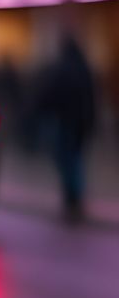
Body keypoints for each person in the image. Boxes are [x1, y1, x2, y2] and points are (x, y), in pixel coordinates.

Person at [35, 28, 99, 222]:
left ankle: (72, 199)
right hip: (79, 122)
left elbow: (49, 95)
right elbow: (91, 96)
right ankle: (75, 199)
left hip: (65, 122)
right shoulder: (83, 68)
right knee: (75, 160)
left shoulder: (62, 69)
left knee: (68, 161)